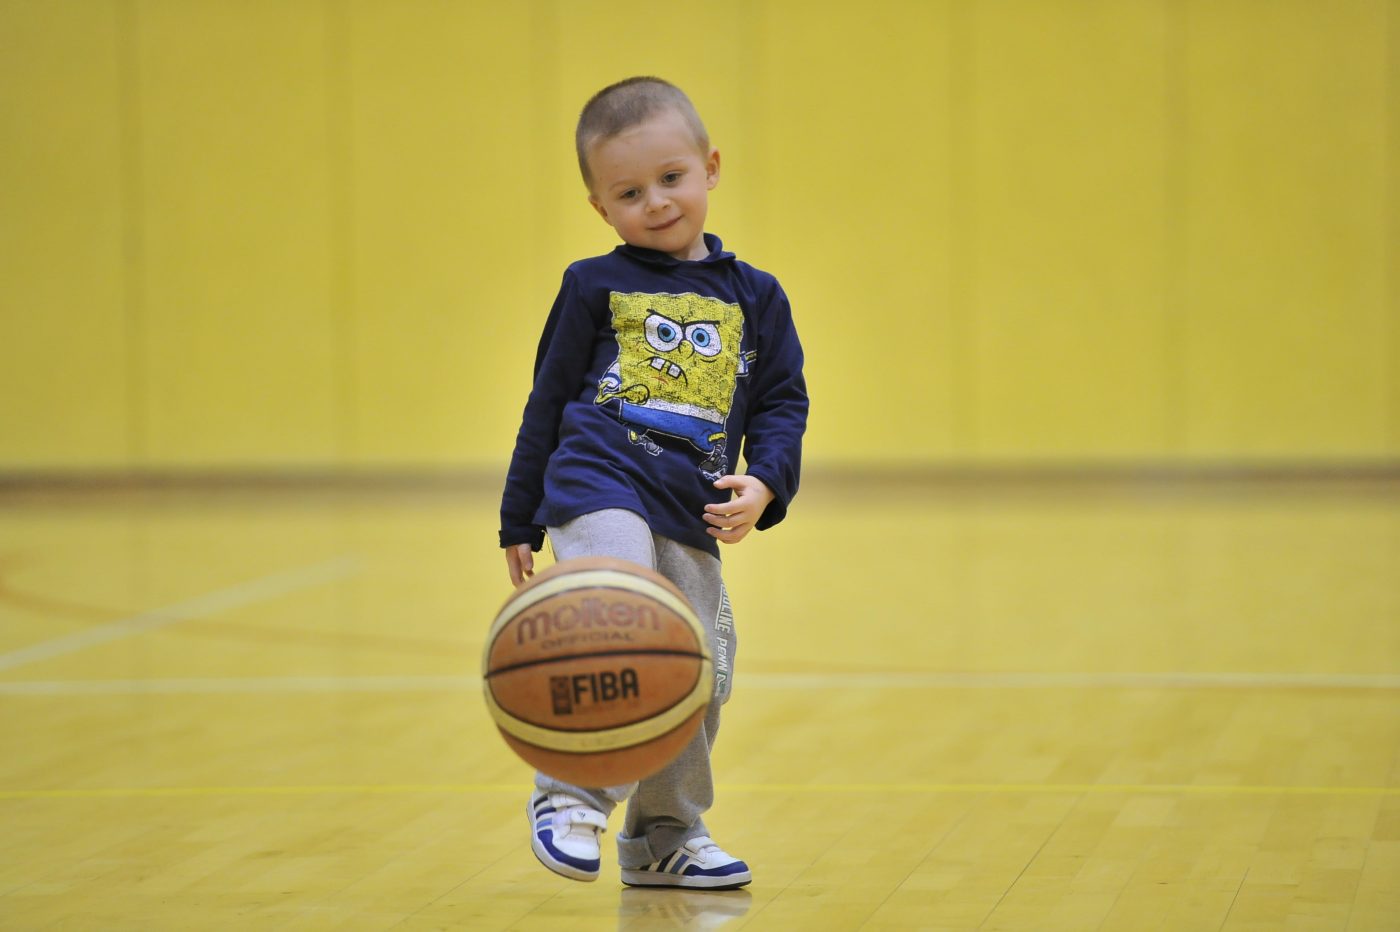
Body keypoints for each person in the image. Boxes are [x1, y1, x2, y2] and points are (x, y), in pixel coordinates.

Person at [499, 76, 807, 890]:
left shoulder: (757, 297)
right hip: (596, 479)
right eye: (630, 192)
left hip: (690, 506)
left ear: (710, 168)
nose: (657, 202)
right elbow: (547, 398)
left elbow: (781, 402)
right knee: (621, 615)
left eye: (671, 178)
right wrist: (519, 516)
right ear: (602, 208)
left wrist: (766, 484)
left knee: (695, 671)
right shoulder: (592, 285)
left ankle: (664, 833)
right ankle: (569, 796)